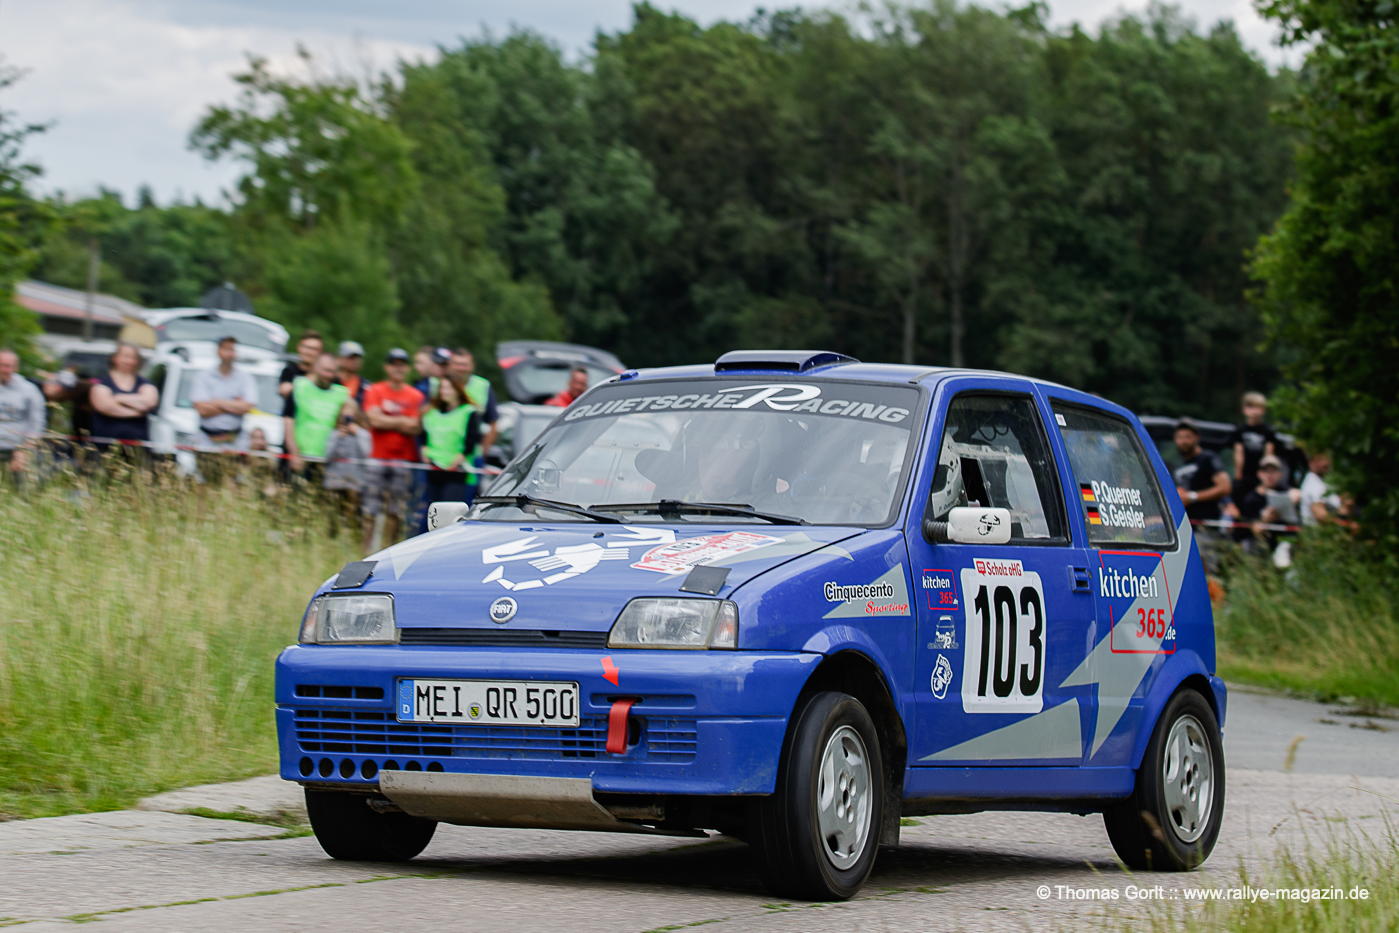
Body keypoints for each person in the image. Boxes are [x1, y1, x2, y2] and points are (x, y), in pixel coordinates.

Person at [362, 348, 425, 553]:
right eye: (394, 364)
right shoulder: (375, 390)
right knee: (370, 509)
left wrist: (387, 419)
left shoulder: (415, 395)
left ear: (407, 368)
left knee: (395, 511)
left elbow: (415, 426)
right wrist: (402, 421)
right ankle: (365, 551)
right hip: (377, 457)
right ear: (387, 367)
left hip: (403, 459)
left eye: (402, 364)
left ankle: (388, 551)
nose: (398, 368)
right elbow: (374, 420)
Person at [283, 352, 357, 483]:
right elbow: (288, 421)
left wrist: (348, 423)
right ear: (315, 368)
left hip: (329, 460)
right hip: (301, 456)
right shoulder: (299, 386)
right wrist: (294, 452)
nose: (329, 375)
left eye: (333, 371)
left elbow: (348, 420)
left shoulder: (342, 393)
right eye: (326, 370)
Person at [420, 373, 481, 507]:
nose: (444, 392)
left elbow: (472, 439)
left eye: (448, 388)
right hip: (434, 468)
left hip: (456, 471)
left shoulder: (468, 412)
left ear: (457, 390)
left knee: (450, 509)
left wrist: (461, 456)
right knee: (432, 510)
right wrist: (424, 449)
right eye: (442, 388)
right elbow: (424, 434)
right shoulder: (432, 412)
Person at [89, 344, 159, 460]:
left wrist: (118, 398)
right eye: (126, 356)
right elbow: (106, 406)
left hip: (138, 448)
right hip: (104, 447)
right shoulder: (102, 382)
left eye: (133, 357)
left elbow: (149, 402)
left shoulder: (145, 383)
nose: (129, 361)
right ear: (114, 358)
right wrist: (137, 411)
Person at [446, 347, 499, 497]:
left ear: (472, 366)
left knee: (467, 500)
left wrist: (482, 452)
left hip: (471, 456)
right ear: (450, 365)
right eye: (457, 364)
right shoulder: (441, 385)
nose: (461, 368)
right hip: (443, 455)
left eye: (464, 364)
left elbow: (493, 423)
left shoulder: (482, 386)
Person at [189, 336, 258, 449]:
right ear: (218, 351)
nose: (230, 354)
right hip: (206, 439)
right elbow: (202, 409)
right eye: (226, 349)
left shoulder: (245, 378)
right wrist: (234, 404)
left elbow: (247, 407)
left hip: (235, 440)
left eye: (232, 349)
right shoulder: (203, 376)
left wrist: (215, 402)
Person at [0, 348, 46, 482]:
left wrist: (25, 450)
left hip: (17, 449)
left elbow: (37, 424)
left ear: (16, 368)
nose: (4, 370)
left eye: (8, 366)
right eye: (1, 365)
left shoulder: (29, 390)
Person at [1230, 391, 1277, 499]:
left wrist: (1265, 475)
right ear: (1244, 409)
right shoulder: (1240, 429)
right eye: (1251, 407)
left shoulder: (1268, 430)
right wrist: (1238, 476)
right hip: (1245, 473)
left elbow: (1268, 454)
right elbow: (1238, 454)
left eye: (1258, 407)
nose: (1254, 411)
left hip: (1260, 473)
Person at [1298, 450, 1354, 530]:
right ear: (1311, 463)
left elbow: (1343, 509)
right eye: (1320, 460)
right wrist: (1346, 526)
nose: (1324, 463)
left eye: (1326, 458)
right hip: (1318, 533)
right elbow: (1321, 515)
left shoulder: (1325, 482)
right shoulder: (1312, 483)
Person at [279, 330, 324, 398]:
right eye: (306, 347)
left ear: (320, 352)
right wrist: (308, 380)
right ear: (299, 347)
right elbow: (284, 391)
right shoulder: (289, 370)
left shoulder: (325, 375)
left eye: (314, 349)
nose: (309, 352)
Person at [336, 341, 367, 408]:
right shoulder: (329, 381)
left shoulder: (366, 386)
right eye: (351, 357)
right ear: (339, 358)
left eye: (358, 358)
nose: (355, 361)